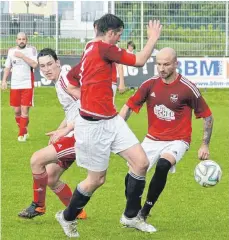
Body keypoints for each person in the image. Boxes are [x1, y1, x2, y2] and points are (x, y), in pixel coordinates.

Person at [54, 13, 162, 238]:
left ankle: (130, 217)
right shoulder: (103, 47)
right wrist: (152, 38)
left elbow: (74, 78)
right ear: (110, 33)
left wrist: (84, 93)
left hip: (111, 120)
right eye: (119, 35)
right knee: (96, 180)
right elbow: (140, 60)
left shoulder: (91, 46)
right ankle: (67, 217)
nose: (119, 40)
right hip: (92, 127)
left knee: (141, 163)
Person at [119, 47, 213, 227]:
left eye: (166, 64)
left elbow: (207, 115)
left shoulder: (187, 88)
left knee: (163, 165)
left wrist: (204, 145)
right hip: (152, 139)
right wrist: (117, 131)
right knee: (130, 178)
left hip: (178, 140)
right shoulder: (149, 84)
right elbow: (129, 106)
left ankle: (144, 213)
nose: (161, 68)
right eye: (159, 64)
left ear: (176, 64)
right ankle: (133, 210)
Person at [18, 48, 86, 220]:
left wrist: (67, 129)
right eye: (42, 66)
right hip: (74, 132)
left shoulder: (65, 78)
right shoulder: (59, 81)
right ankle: (77, 211)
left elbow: (87, 105)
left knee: (36, 159)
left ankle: (38, 206)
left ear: (58, 62)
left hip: (83, 135)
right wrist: (60, 129)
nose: (47, 69)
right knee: (51, 177)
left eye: (50, 64)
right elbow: (73, 109)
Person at [1, 32, 38, 142]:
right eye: (19, 39)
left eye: (23, 39)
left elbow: (35, 64)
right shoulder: (11, 51)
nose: (21, 41)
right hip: (15, 85)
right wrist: (3, 81)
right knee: (17, 111)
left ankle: (21, 135)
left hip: (27, 84)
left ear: (27, 40)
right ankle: (24, 130)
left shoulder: (31, 50)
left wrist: (22, 56)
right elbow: (7, 67)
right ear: (16, 40)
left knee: (24, 110)